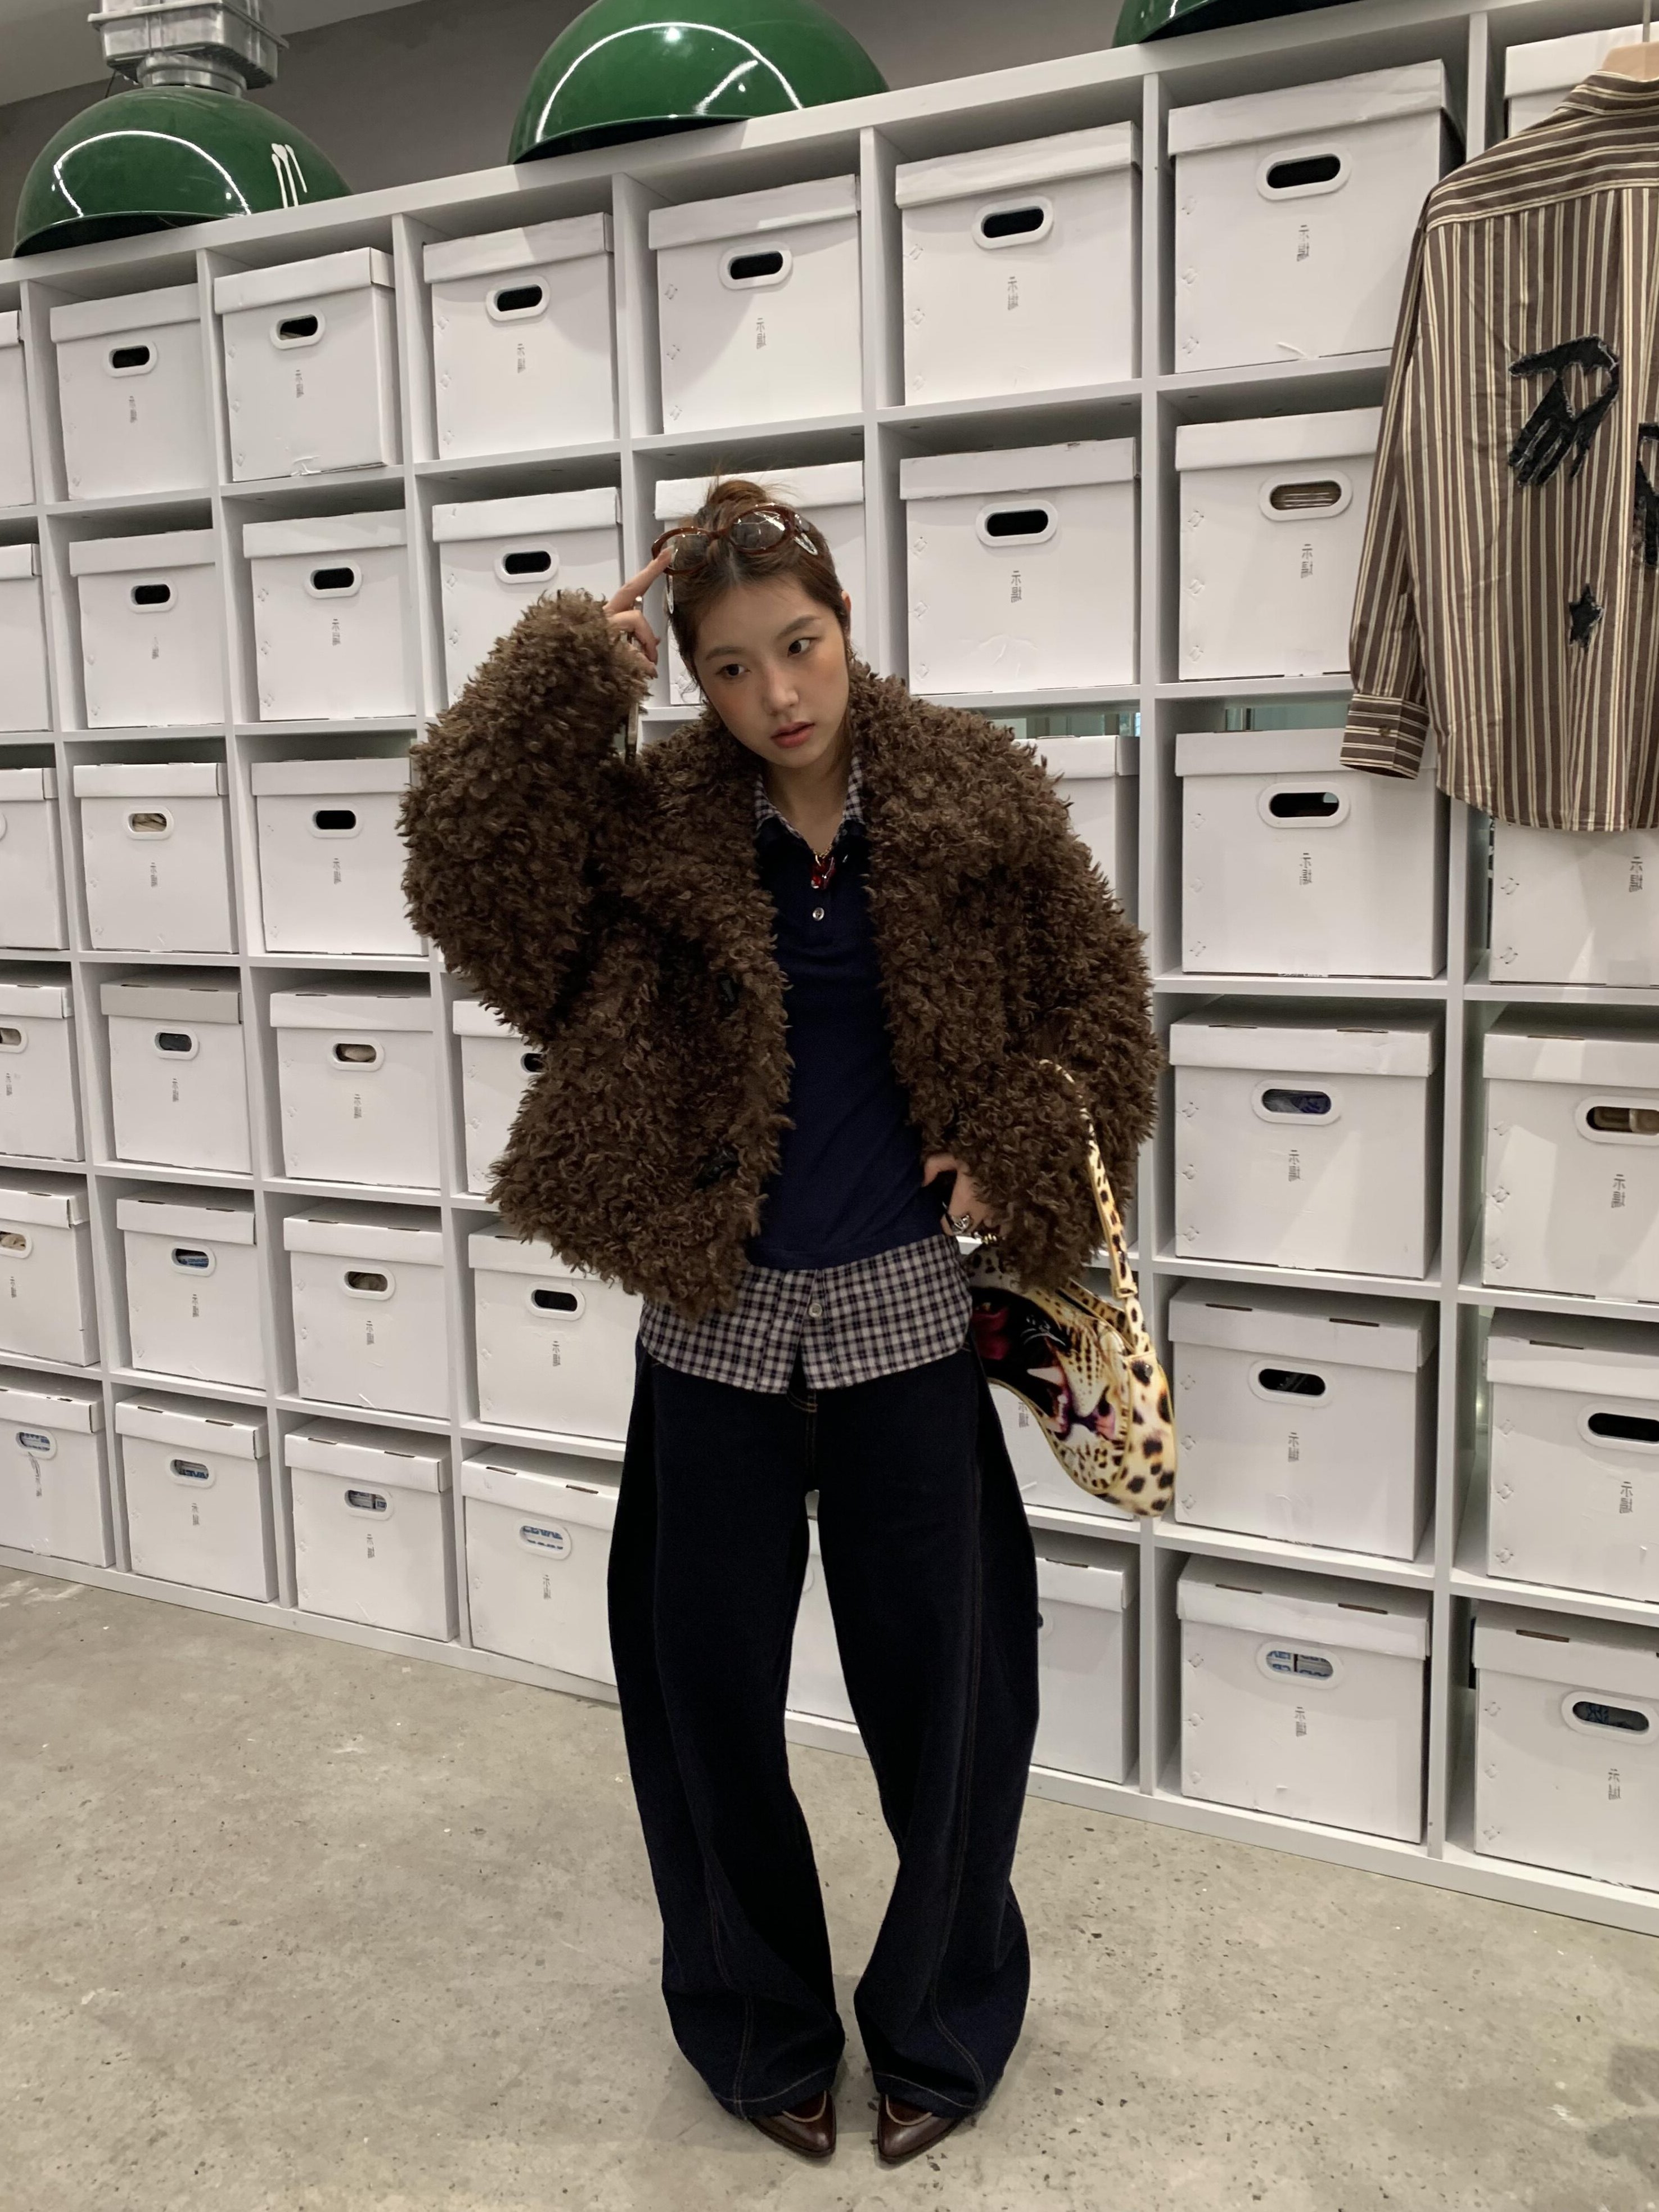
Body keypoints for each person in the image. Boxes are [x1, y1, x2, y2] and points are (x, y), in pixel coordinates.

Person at [400, 479, 1159, 2166]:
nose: (779, 695)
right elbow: (463, 874)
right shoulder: (653, 828)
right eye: (730, 668)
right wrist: (569, 670)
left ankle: (943, 2023)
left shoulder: (968, 797)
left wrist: (1017, 1145)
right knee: (703, 1709)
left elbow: (1103, 1001)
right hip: (715, 1340)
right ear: (692, 677)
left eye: (800, 646)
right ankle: (757, 2026)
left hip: (905, 1332)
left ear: (845, 623)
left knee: (957, 1712)